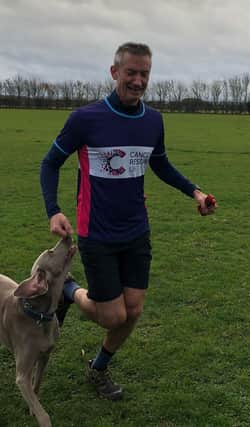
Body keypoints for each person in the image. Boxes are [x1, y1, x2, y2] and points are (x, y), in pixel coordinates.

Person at [39, 42, 217, 400]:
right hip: (97, 232)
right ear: (115, 72)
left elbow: (161, 164)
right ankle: (69, 291)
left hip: (136, 231)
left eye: (144, 74)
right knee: (111, 317)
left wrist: (195, 193)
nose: (138, 81)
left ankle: (98, 367)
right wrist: (54, 209)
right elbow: (50, 163)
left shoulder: (153, 121)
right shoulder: (85, 119)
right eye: (131, 73)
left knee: (132, 311)